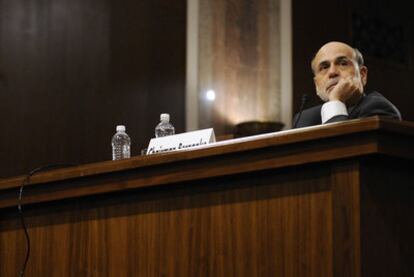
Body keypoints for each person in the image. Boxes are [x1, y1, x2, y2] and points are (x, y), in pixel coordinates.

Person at [293, 41, 401, 128]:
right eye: (324, 67)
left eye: (343, 63)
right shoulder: (304, 119)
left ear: (362, 75)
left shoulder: (378, 109)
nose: (332, 72)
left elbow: (341, 151)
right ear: (316, 84)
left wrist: (336, 101)